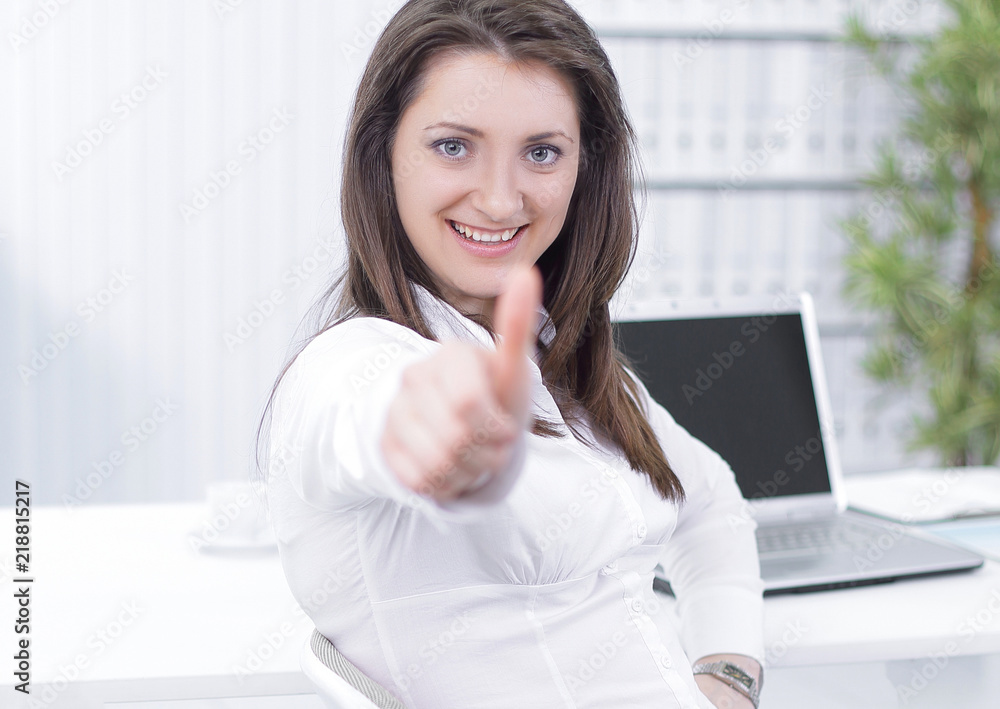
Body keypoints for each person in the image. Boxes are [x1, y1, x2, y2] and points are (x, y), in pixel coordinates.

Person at [256, 1, 765, 707]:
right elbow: (368, 413)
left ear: (585, 168)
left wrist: (729, 675)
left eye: (541, 152)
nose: (499, 201)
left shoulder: (573, 369)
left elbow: (708, 501)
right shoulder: (349, 362)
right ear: (383, 156)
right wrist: (429, 430)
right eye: (453, 146)